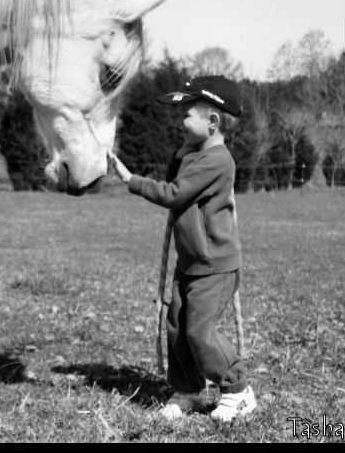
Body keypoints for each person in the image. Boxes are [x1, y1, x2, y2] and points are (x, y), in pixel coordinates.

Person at [108, 75, 256, 422]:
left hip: (215, 266)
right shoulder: (197, 154)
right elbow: (178, 173)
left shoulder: (217, 160)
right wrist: (184, 150)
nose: (180, 123)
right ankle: (189, 388)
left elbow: (174, 193)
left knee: (198, 330)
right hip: (190, 262)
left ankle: (237, 389)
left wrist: (131, 181)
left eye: (186, 116)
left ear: (213, 121)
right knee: (177, 324)